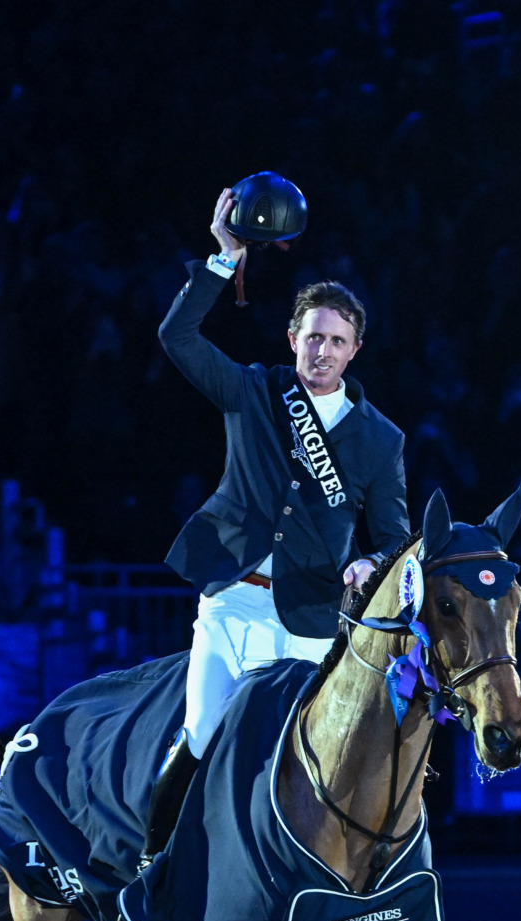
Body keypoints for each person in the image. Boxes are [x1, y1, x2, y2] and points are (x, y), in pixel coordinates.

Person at [147, 186, 409, 861]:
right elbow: (176, 338)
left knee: (308, 762)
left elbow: (392, 538)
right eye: (313, 337)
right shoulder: (257, 391)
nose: (322, 351)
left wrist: (372, 565)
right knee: (201, 735)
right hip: (231, 600)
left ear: (355, 351)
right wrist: (222, 259)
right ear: (293, 338)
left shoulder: (381, 440)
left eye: (337, 341)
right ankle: (151, 872)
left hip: (310, 618)